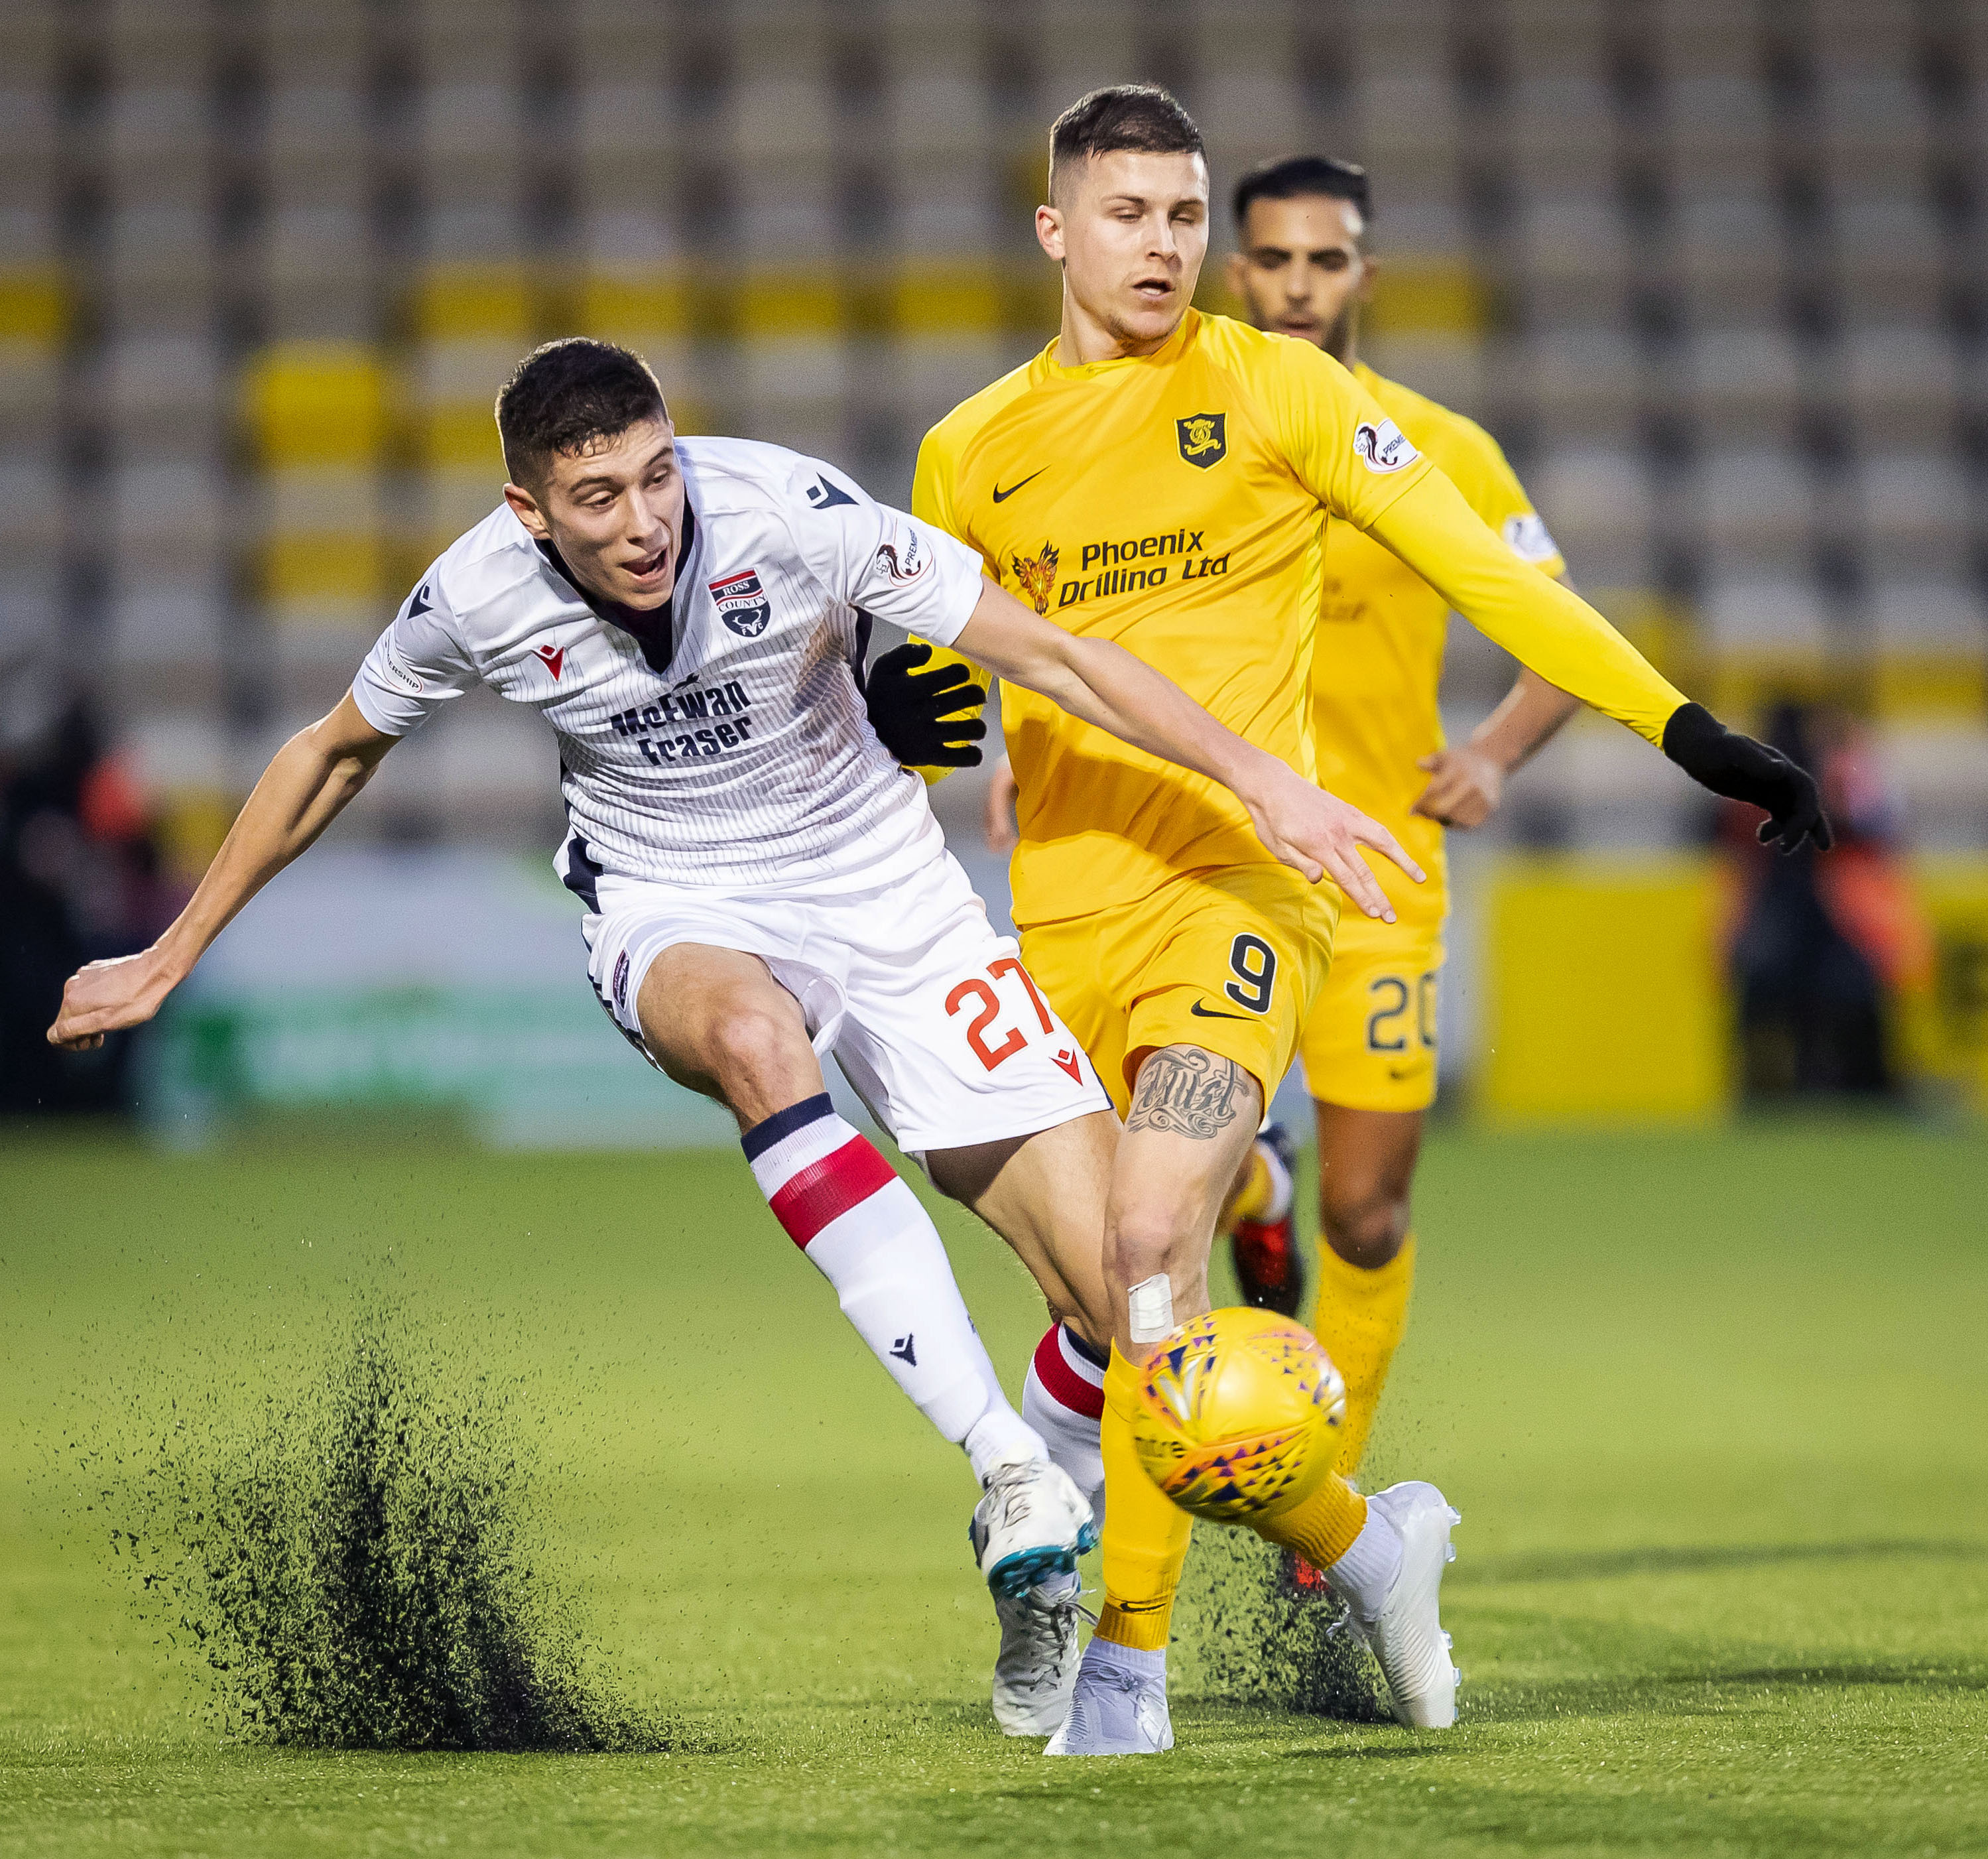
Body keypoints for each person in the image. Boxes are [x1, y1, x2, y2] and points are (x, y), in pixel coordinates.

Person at [44, 336, 1426, 1682]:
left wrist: (1258, 775)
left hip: (890, 894)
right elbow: (329, 750)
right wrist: (171, 952)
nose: (643, 521)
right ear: (529, 508)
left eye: (656, 477)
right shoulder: (475, 593)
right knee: (759, 1040)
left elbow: (1049, 655)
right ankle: (1005, 1466)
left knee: (1123, 1317)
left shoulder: (790, 510)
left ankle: (1346, 1554)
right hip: (673, 901)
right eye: (597, 498)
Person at [912, 86, 1828, 1756]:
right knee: (1111, 1311)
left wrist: (1686, 735)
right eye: (1128, 215)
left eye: (1184, 218)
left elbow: (1490, 575)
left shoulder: (1280, 388)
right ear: (1054, 228)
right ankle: (1367, 1539)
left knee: (1152, 1253)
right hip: (1061, 914)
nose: (1164, 248)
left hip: (1245, 894)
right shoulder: (967, 446)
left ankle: (1125, 1668)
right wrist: (944, 736)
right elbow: (946, 659)